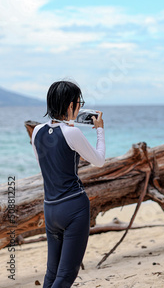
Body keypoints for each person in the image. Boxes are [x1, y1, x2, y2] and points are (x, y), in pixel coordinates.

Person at [31, 80, 105, 288]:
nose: (80, 106)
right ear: (71, 105)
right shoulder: (72, 133)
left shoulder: (37, 131)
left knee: (52, 274)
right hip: (74, 207)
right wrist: (99, 130)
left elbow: (45, 165)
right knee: (66, 276)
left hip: (50, 208)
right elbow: (99, 161)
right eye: (79, 102)